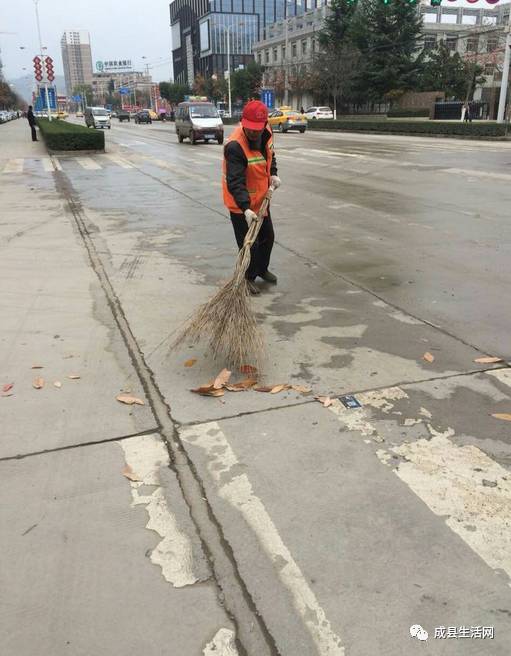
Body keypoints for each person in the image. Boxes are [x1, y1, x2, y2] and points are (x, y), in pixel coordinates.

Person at [222, 100, 281, 295]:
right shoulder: (234, 146)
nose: (254, 133)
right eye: (250, 129)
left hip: (261, 201)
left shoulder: (267, 132)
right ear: (243, 122)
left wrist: (273, 172)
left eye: (258, 128)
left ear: (264, 123)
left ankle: (261, 269)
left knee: (268, 237)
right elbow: (235, 182)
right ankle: (246, 279)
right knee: (249, 245)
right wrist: (246, 208)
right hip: (241, 206)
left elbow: (270, 155)